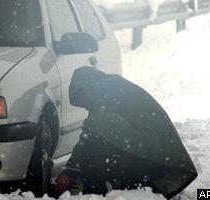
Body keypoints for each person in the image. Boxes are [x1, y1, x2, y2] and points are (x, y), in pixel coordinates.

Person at [54, 66, 198, 199]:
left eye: (83, 101)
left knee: (94, 145)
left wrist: (70, 172)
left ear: (85, 89)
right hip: (158, 162)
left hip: (154, 161)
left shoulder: (104, 90)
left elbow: (90, 135)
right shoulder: (113, 87)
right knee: (96, 143)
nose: (86, 107)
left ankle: (95, 195)